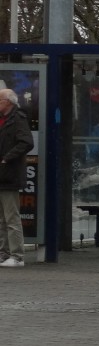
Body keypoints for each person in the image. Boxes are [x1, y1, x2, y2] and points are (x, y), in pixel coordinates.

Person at [0, 88, 35, 268]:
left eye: (0, 100)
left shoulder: (17, 119)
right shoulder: (4, 120)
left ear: (9, 102)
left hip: (10, 174)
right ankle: (3, 253)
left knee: (11, 217)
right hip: (2, 175)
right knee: (1, 218)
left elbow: (27, 142)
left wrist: (7, 157)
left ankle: (17, 255)